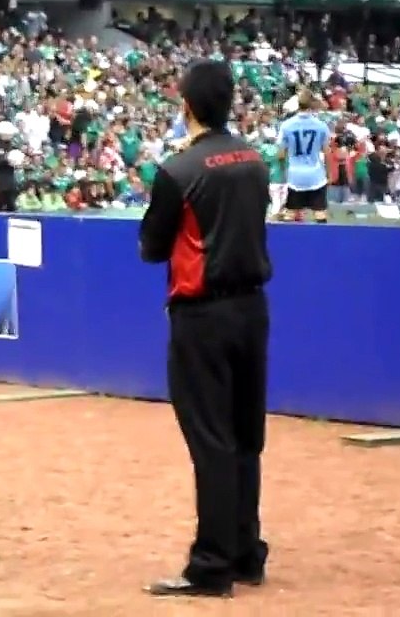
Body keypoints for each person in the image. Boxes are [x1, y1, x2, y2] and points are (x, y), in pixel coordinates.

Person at [138, 60, 272, 599]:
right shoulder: (254, 159)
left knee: (211, 440)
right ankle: (246, 551)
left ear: (186, 104)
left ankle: (211, 564)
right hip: (252, 308)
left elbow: (151, 247)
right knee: (244, 437)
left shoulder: (179, 170)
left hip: (202, 315)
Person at [277, 90, 332, 223]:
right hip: (316, 175)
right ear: (312, 104)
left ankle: (288, 242)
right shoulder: (321, 126)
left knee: (291, 212)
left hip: (295, 175)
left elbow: (280, 155)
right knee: (320, 214)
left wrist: (284, 172)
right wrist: (329, 174)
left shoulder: (286, 125)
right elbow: (327, 152)